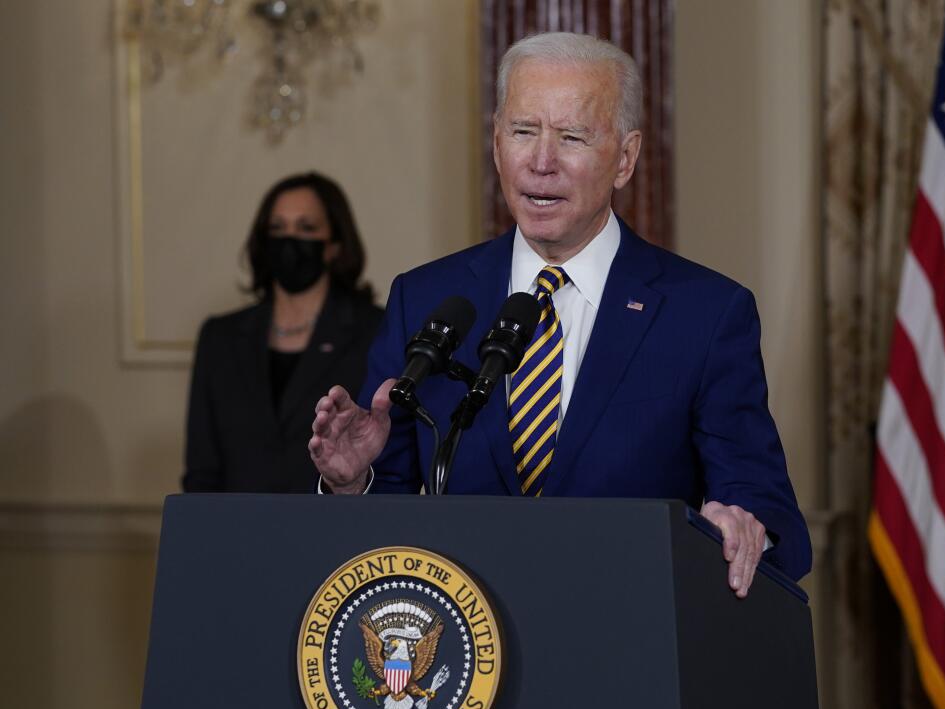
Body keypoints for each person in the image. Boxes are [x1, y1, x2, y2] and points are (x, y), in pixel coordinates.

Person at [309, 33, 809, 596]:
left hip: (630, 644)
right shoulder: (425, 300)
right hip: (467, 657)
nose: (541, 162)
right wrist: (350, 485)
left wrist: (744, 529)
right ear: (497, 143)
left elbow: (766, 507)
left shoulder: (706, 314)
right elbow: (382, 517)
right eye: (523, 132)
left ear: (625, 158)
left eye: (572, 137)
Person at [184, 172, 383, 492]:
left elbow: (388, 461)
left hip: (336, 533)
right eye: (277, 229)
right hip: (235, 534)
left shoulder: (375, 331)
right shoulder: (219, 338)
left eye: (306, 228)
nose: (289, 240)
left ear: (334, 244)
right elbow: (202, 471)